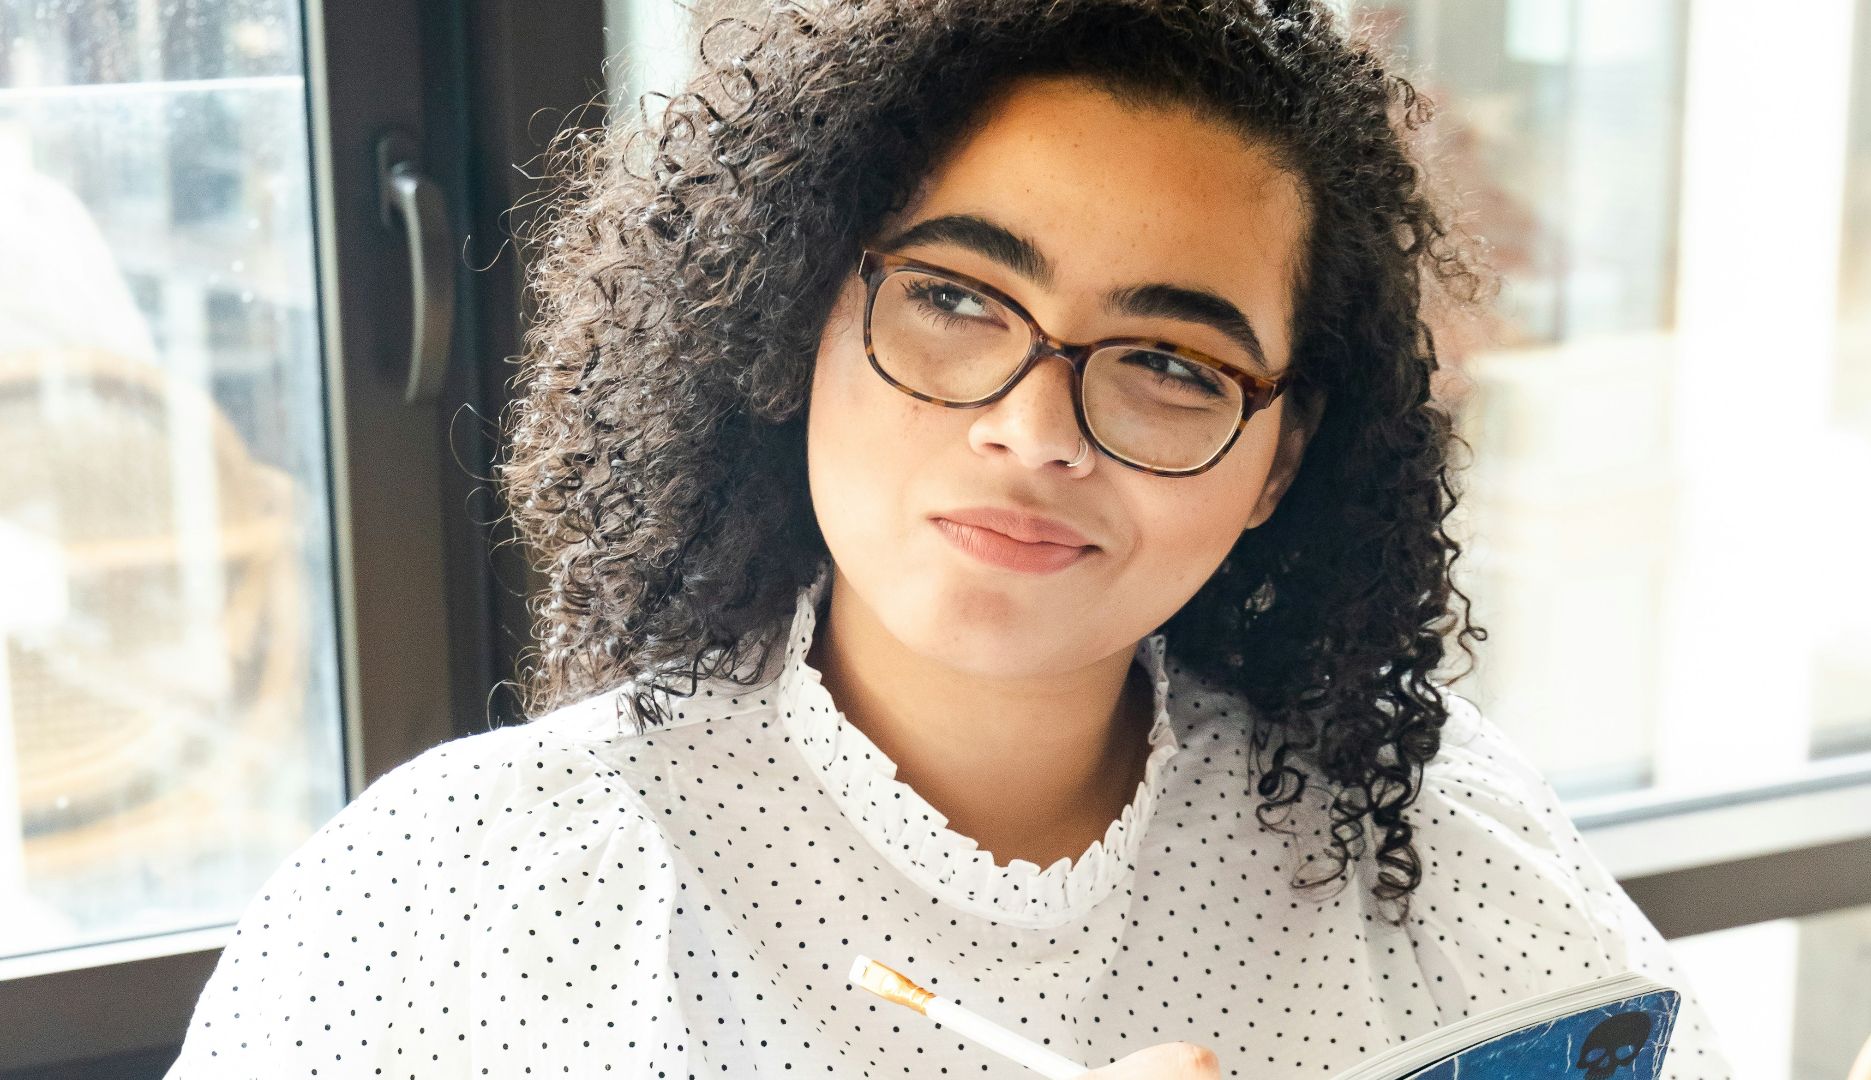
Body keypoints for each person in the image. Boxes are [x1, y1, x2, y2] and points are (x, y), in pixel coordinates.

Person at [166, 1, 1736, 1076]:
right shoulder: (462, 896)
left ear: (1279, 459)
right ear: (797, 315)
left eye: (1173, 364)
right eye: (959, 301)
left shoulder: (1427, 834)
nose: (1034, 428)